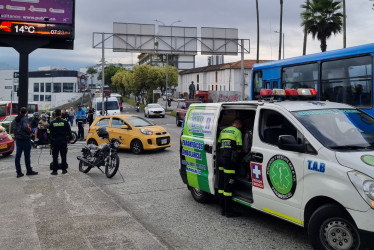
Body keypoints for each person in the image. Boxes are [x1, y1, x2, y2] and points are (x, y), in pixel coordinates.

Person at [217, 119, 243, 217]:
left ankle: (222, 209)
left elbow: (219, 144)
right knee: (228, 185)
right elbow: (240, 148)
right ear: (238, 125)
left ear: (232, 124)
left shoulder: (223, 131)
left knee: (221, 184)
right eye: (241, 126)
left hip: (221, 159)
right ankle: (228, 211)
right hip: (229, 161)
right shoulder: (237, 132)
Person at [13, 107, 38, 178]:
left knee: (18, 156)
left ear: (20, 112)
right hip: (25, 139)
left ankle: (19, 172)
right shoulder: (25, 119)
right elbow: (26, 127)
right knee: (27, 156)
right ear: (26, 112)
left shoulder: (16, 119)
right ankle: (29, 170)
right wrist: (29, 133)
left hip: (18, 140)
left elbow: (14, 128)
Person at [49, 109, 72, 175]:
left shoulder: (52, 123)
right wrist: (70, 139)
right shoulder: (65, 122)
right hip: (63, 141)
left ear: (55, 115)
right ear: (61, 114)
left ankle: (55, 171)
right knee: (63, 156)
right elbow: (69, 132)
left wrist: (49, 140)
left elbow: (48, 132)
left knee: (55, 157)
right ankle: (64, 170)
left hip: (55, 141)